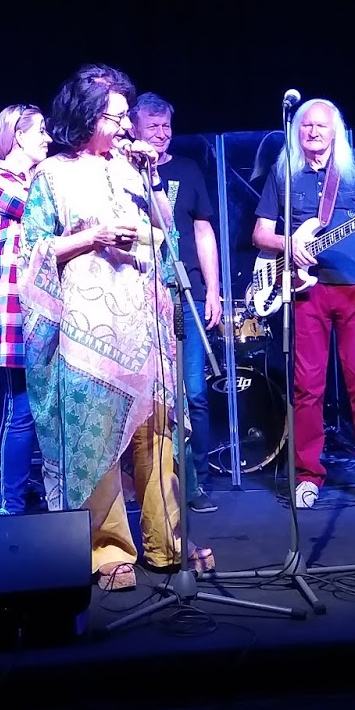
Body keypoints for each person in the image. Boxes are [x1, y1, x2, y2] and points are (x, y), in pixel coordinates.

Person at [20, 65, 212, 589]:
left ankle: (167, 542)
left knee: (158, 435)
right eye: (117, 116)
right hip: (90, 332)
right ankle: (108, 549)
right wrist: (95, 236)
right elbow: (34, 250)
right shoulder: (51, 174)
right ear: (87, 116)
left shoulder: (132, 169)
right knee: (98, 442)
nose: (127, 126)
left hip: (145, 323)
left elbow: (168, 233)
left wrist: (152, 179)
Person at [251, 97, 355, 510]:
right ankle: (307, 477)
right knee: (307, 387)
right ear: (296, 131)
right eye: (306, 125)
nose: (313, 132)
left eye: (321, 126)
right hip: (305, 291)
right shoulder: (284, 170)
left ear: (336, 132)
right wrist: (290, 244)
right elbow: (260, 233)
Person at [132, 91, 223, 514]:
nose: (161, 133)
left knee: (194, 392)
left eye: (166, 126)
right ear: (133, 128)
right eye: (152, 126)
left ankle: (195, 482)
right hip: (141, 296)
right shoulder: (123, 173)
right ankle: (148, 484)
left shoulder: (187, 169)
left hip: (186, 294)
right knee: (150, 396)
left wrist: (213, 290)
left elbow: (204, 232)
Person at [0, 103, 52, 515]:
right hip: (14, 304)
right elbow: (43, 215)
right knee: (21, 408)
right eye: (40, 131)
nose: (48, 138)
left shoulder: (43, 176)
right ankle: (12, 505)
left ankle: (53, 496)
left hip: (49, 304)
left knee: (51, 409)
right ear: (18, 136)